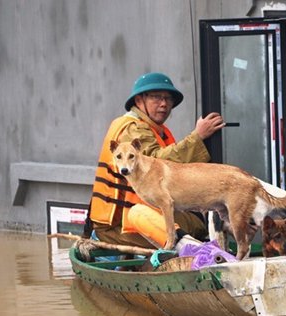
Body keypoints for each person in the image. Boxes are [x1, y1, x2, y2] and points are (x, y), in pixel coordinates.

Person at [85, 72, 225, 248]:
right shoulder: (132, 128)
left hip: (146, 211)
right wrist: (198, 136)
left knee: (198, 222)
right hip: (121, 223)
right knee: (189, 232)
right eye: (156, 97)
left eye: (168, 99)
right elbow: (157, 163)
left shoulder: (158, 130)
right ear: (138, 101)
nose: (164, 104)